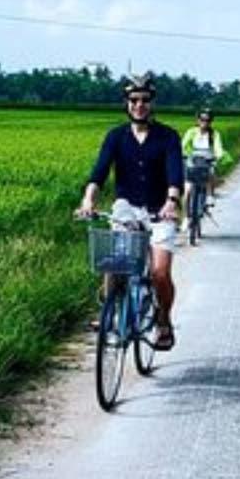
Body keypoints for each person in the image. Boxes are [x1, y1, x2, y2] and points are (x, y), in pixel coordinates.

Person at [78, 72, 184, 350]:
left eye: (145, 100)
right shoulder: (116, 137)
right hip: (126, 208)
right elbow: (99, 172)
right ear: (126, 103)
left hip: (159, 210)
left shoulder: (168, 137)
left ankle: (163, 320)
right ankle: (110, 311)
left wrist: (171, 201)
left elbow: (175, 174)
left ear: (152, 103)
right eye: (134, 100)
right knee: (114, 262)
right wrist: (89, 199)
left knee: (160, 272)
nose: (139, 105)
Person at [183, 109, 225, 227]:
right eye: (202, 120)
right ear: (197, 120)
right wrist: (183, 154)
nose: (204, 123)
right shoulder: (191, 132)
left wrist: (218, 155)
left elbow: (218, 147)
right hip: (193, 161)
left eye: (207, 120)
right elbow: (183, 144)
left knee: (211, 173)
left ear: (211, 122)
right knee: (187, 191)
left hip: (207, 160)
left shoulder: (214, 134)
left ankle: (210, 195)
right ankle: (186, 217)